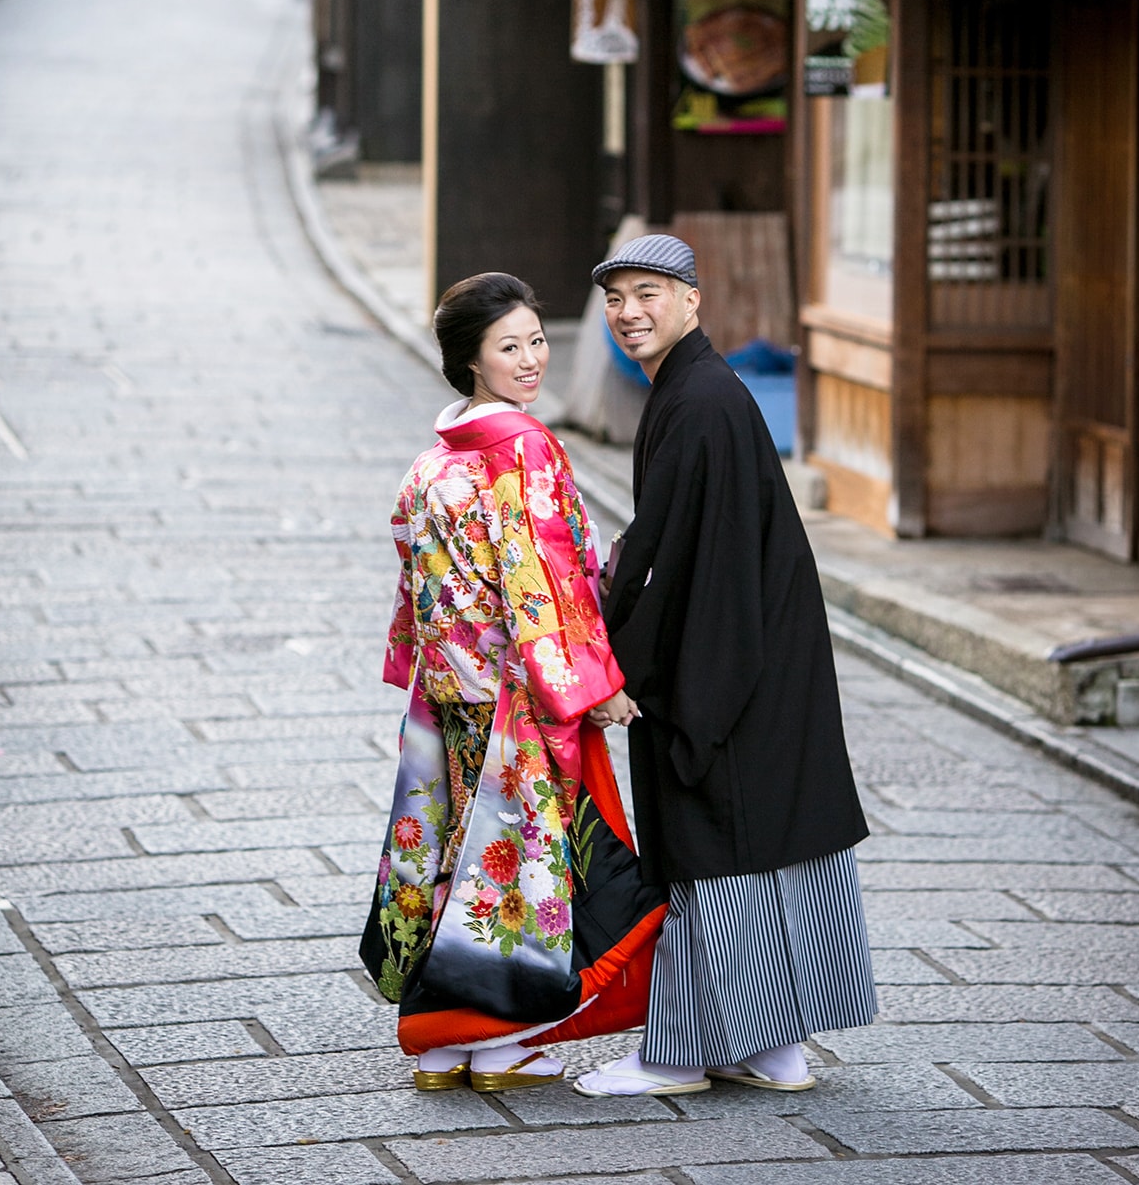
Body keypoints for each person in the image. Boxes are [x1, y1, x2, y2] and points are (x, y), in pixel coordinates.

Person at [575, 234, 877, 1098]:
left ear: (693, 302)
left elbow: (669, 560)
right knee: (773, 845)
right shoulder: (699, 390)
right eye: (616, 299)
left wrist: (620, 667)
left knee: (711, 845)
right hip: (762, 654)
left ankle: (677, 1055)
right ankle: (772, 1044)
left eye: (648, 294)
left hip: (723, 659)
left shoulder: (699, 400)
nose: (629, 312)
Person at [361, 272, 665, 1093]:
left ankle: (440, 1043)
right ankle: (497, 1043)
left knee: (458, 853)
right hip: (518, 697)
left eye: (537, 340)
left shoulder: (430, 464)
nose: (532, 359)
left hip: (452, 693)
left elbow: (415, 585)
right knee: (519, 866)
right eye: (510, 346)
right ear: (472, 361)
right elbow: (545, 579)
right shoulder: (523, 450)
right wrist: (588, 682)